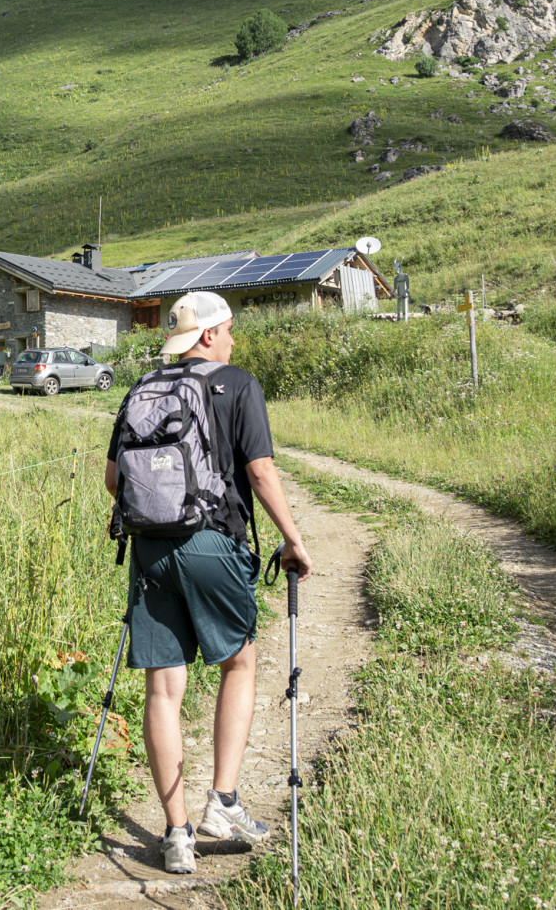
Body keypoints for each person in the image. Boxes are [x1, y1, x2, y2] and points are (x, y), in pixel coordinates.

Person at [104, 290, 313, 875]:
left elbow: (113, 479)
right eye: (227, 331)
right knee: (239, 662)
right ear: (208, 336)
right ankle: (223, 802)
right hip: (211, 542)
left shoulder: (144, 388)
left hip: (150, 552)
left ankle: (176, 834)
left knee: (163, 690)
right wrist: (293, 541)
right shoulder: (237, 384)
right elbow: (261, 472)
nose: (232, 341)